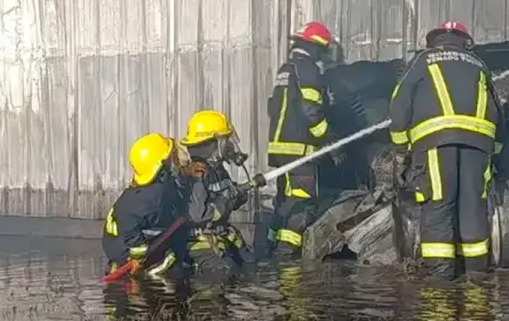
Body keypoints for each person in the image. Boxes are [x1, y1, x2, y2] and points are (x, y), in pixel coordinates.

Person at [388, 21, 505, 279]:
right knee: (473, 205)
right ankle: (476, 277)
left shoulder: (423, 60)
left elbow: (399, 105)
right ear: (465, 41)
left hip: (435, 144)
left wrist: (400, 149)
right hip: (479, 147)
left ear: (435, 40)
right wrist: (494, 150)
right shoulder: (479, 65)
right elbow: (498, 110)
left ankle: (440, 284)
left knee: (439, 205)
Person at [266, 21, 343, 257]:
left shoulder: (286, 69)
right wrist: (329, 140)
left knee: (284, 202)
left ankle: (269, 250)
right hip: (300, 151)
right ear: (315, 48)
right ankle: (286, 256)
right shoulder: (308, 70)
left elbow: (274, 108)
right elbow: (311, 110)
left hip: (280, 150)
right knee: (302, 202)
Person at [102, 132, 190, 279]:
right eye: (169, 159)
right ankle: (150, 272)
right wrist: (138, 254)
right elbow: (129, 222)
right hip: (125, 247)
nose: (173, 162)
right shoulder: (153, 197)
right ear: (161, 167)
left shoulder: (151, 188)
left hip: (117, 244)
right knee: (174, 263)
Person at [179, 109, 253, 275]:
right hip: (198, 240)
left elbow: (228, 194)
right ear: (212, 143)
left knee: (250, 264)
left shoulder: (218, 169)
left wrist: (240, 193)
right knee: (224, 273)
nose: (229, 145)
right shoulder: (198, 174)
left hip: (221, 233)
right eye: (225, 139)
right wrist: (226, 201)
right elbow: (198, 216)